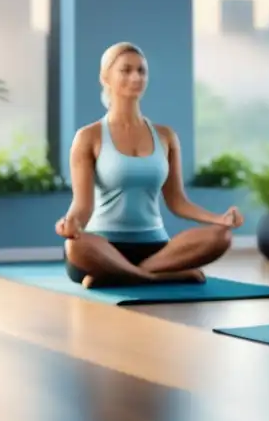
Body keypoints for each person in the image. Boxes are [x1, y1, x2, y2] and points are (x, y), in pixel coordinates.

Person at [57, 42, 243, 288]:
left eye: (141, 70)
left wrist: (219, 219)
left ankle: (123, 275)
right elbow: (82, 206)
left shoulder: (165, 136)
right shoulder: (88, 137)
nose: (135, 77)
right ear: (105, 77)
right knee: (75, 245)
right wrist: (71, 223)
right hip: (102, 248)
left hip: (155, 248)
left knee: (221, 237)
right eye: (125, 70)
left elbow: (178, 202)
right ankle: (157, 277)